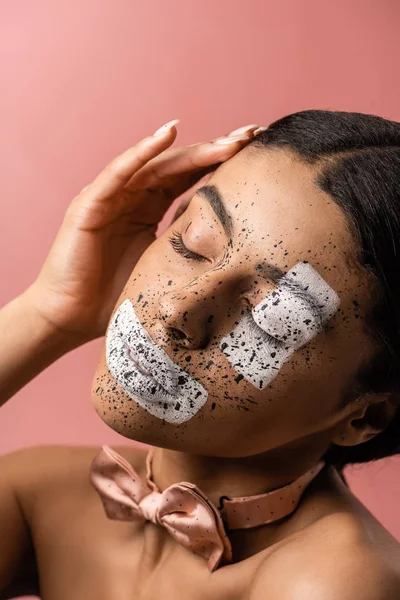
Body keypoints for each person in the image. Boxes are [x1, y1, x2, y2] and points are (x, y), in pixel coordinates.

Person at [1, 111, 400, 600]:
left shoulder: (335, 583)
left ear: (367, 414)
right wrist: (50, 312)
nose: (178, 309)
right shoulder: (43, 494)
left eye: (271, 318)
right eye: (192, 243)